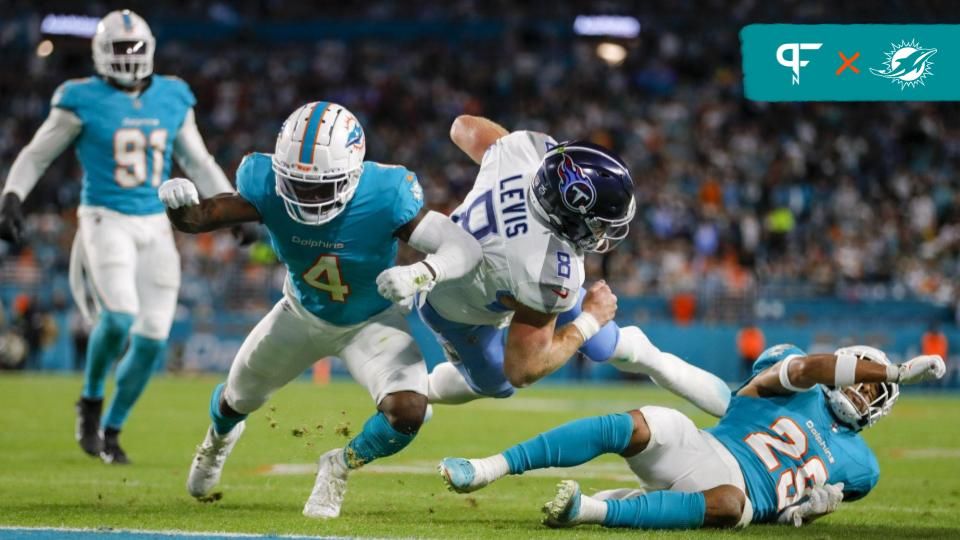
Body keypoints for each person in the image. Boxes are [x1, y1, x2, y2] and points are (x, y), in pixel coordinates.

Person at [159, 101, 482, 518]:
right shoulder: (266, 184)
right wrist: (179, 209)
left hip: (371, 323)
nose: (306, 196)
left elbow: (464, 248)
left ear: (352, 173)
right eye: (295, 183)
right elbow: (201, 217)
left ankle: (339, 465)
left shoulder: (384, 196)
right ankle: (216, 443)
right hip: (300, 314)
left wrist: (422, 273)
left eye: (319, 186)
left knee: (408, 413)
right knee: (235, 400)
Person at [0, 10, 233, 463]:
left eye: (135, 49)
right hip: (104, 217)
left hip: (156, 222)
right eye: (120, 49)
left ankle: (112, 428)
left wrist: (230, 207)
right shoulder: (80, 98)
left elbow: (200, 161)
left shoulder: (172, 95)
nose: (128, 58)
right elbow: (36, 154)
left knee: (152, 340)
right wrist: (11, 195)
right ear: (101, 53)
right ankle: (89, 400)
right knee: (122, 315)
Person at [438, 344, 945, 530]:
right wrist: (895, 370)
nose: (862, 392)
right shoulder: (797, 379)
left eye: (873, 389)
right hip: (707, 448)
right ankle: (488, 467)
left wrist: (812, 508)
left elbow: (810, 503)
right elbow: (811, 366)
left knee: (732, 506)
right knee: (639, 421)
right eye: (859, 378)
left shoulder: (864, 467)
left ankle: (592, 511)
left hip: (742, 499)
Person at [421, 115, 731, 416]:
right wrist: (589, 321)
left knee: (606, 344)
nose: (604, 233)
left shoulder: (526, 151)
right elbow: (522, 370)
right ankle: (421, 389)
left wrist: (500, 160)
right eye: (599, 224)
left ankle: (647, 356)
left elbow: (461, 126)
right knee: (500, 382)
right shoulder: (546, 267)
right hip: (456, 306)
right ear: (568, 215)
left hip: (503, 267)